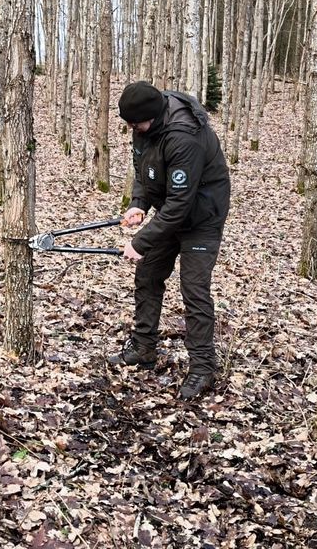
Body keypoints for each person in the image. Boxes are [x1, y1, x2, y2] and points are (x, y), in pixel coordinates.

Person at [109, 81, 231, 400]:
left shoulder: (182, 136)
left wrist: (140, 241)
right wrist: (138, 203)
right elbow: (143, 169)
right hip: (171, 211)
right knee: (147, 275)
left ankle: (203, 368)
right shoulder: (144, 125)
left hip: (202, 216)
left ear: (153, 115)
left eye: (136, 124)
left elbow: (181, 204)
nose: (133, 129)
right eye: (130, 125)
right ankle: (143, 348)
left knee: (194, 289)